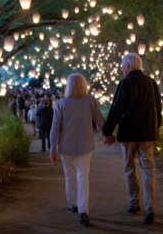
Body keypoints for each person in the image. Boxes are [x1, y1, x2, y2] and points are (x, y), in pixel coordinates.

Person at [103, 53, 162, 225]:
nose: (122, 69)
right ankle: (150, 207)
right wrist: (155, 129)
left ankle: (134, 203)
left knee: (130, 168)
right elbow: (158, 110)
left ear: (128, 66)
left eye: (123, 66)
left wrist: (108, 132)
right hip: (147, 134)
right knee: (148, 169)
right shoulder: (152, 83)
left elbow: (116, 109)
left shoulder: (125, 84)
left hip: (128, 134)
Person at [49, 73, 105, 227]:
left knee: (70, 175)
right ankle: (83, 210)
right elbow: (100, 121)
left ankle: (72, 203)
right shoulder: (90, 101)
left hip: (65, 146)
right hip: (85, 145)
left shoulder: (62, 103)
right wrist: (107, 135)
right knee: (83, 177)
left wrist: (52, 149)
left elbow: (55, 128)